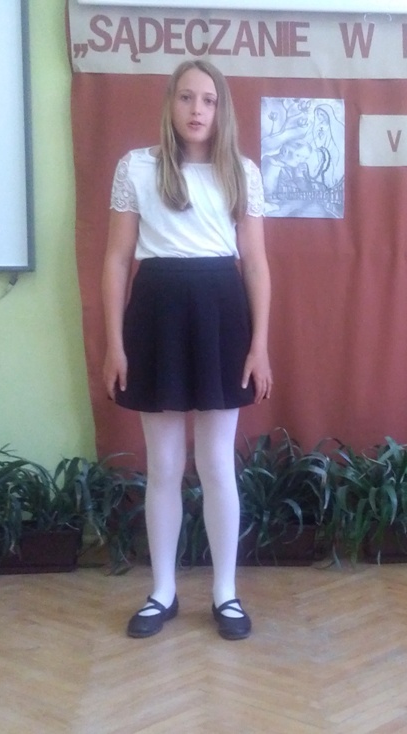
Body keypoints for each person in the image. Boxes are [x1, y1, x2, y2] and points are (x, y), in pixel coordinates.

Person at [102, 60, 272, 641]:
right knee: (165, 466)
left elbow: (256, 263)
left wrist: (260, 345)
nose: (197, 110)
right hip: (156, 317)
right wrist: (115, 343)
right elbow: (116, 260)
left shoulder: (241, 173)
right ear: (170, 103)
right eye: (186, 98)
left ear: (221, 109)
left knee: (217, 463)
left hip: (221, 316)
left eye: (209, 100)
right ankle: (163, 591)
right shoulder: (137, 167)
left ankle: (225, 593)